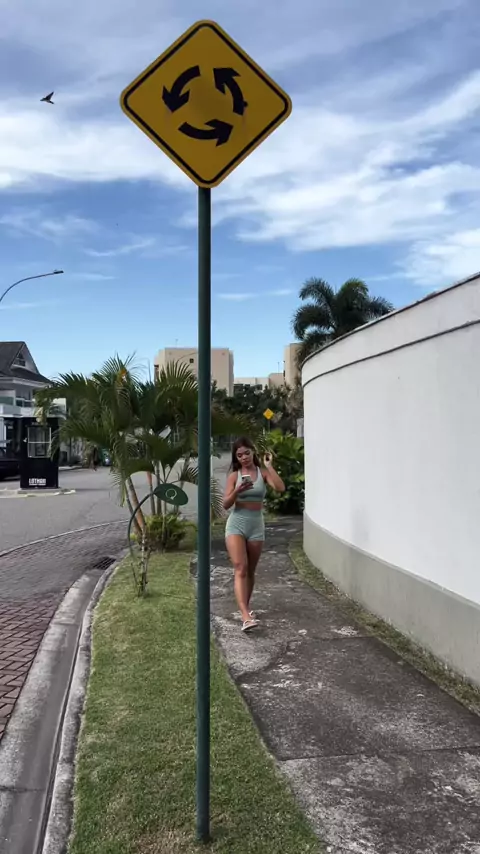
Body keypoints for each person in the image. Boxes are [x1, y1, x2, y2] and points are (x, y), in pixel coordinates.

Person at [223, 437, 285, 632]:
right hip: (236, 524)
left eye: (246, 453)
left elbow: (280, 488)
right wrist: (237, 491)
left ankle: (246, 609)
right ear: (236, 458)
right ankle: (245, 616)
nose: (244, 457)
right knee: (240, 567)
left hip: (256, 525)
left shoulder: (262, 473)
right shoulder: (234, 476)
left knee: (250, 571)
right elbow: (225, 504)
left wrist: (269, 466)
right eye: (239, 455)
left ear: (253, 452)